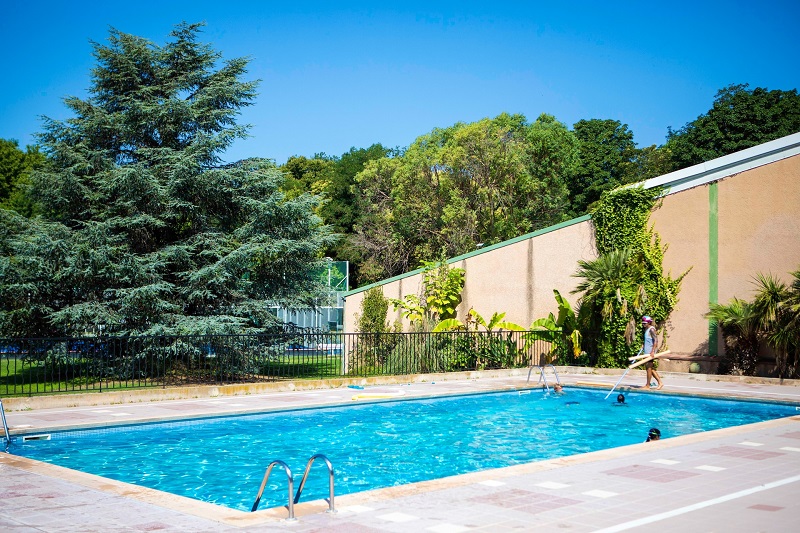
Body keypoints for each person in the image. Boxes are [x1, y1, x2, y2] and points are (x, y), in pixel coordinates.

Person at [641, 316, 663, 390]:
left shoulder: (652, 330)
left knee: (649, 368)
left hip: (650, 352)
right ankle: (660, 382)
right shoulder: (646, 329)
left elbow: (656, 340)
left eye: (645, 323)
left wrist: (653, 351)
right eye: (643, 323)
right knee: (649, 368)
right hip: (647, 351)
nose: (643, 324)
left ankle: (648, 385)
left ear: (649, 322)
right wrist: (643, 345)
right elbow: (648, 340)